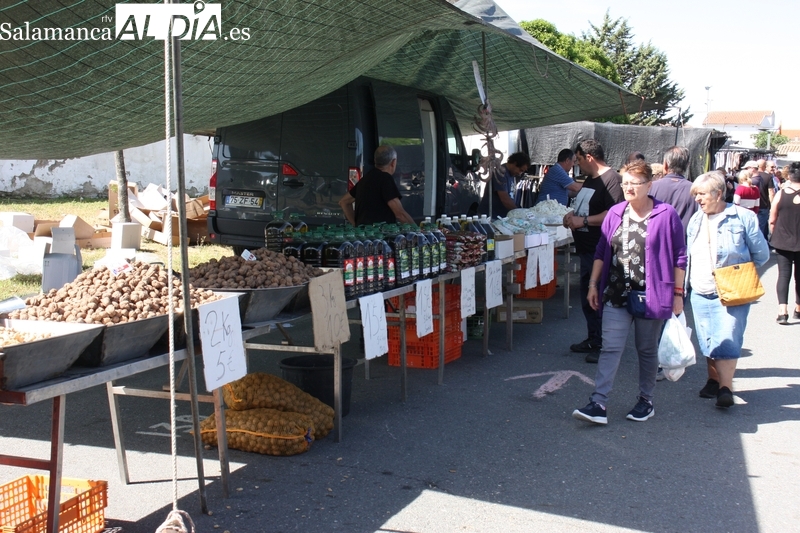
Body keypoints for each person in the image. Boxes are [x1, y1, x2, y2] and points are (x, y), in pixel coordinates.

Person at [572, 160, 686, 424]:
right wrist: (592, 285)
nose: (628, 188)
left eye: (634, 183)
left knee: (646, 349)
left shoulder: (666, 214)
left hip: (652, 293)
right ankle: (598, 403)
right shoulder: (615, 212)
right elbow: (602, 251)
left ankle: (646, 401)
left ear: (649, 185)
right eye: (625, 183)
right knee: (610, 348)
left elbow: (680, 257)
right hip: (615, 293)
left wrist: (678, 295)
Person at [686, 171, 769, 408]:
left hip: (732, 289)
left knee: (728, 337)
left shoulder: (742, 218)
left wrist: (737, 273)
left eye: (701, 194)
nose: (698, 200)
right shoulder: (696, 220)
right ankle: (713, 381)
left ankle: (726, 388)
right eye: (696, 195)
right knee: (708, 338)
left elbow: (761, 254)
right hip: (700, 289)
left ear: (719, 193)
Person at [562, 139, 624, 362]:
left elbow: (614, 214)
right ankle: (593, 338)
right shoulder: (590, 179)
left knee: (598, 296)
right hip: (586, 248)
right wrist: (571, 217)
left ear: (589, 157)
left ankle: (603, 344)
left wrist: (584, 221)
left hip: (601, 250)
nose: (577, 164)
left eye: (578, 159)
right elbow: (583, 207)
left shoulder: (612, 180)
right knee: (588, 297)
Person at [338, 145, 415, 226]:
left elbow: (344, 202)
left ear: (375, 161)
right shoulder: (386, 179)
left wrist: (356, 225)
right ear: (393, 162)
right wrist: (417, 233)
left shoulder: (366, 178)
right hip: (380, 235)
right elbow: (400, 214)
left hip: (364, 235)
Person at [768, 162, 800, 324]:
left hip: (783, 240)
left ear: (789, 176)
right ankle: (799, 308)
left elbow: (772, 219)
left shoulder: (781, 194)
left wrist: (774, 235)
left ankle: (782, 311)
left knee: (783, 275)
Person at [648, 146, 698, 232]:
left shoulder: (650, 187)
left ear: (665, 165)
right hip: (684, 242)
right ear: (687, 165)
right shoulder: (696, 190)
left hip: (657, 240)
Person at [478, 152, 530, 218]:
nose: (520, 173)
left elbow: (510, 197)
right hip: (491, 216)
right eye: (520, 170)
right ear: (515, 163)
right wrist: (519, 213)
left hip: (500, 216)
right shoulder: (500, 173)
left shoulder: (511, 175)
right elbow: (505, 199)